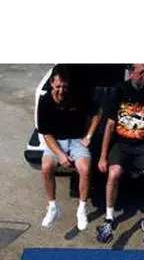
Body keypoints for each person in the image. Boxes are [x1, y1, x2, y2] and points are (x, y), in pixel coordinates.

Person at [96, 63, 144, 247]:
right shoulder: (119, 91)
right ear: (131, 73)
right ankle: (109, 219)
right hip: (121, 144)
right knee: (113, 174)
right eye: (141, 73)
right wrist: (103, 157)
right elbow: (109, 126)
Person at [37, 64, 102, 230]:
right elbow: (46, 134)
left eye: (65, 87)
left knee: (85, 169)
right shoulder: (44, 102)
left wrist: (88, 136)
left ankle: (82, 209)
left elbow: (97, 114)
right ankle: (53, 207)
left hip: (76, 140)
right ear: (52, 83)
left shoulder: (77, 96)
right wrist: (60, 155)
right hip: (55, 141)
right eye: (58, 86)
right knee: (46, 167)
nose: (61, 91)